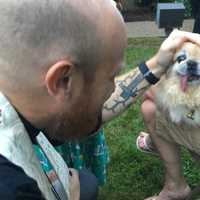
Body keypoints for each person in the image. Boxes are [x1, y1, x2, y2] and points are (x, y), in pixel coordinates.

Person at [0, 0, 200, 199]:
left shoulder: (20, 95)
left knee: (87, 182)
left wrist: (156, 65)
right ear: (62, 81)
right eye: (111, 77)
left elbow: (88, 107)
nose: (114, 87)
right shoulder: (13, 189)